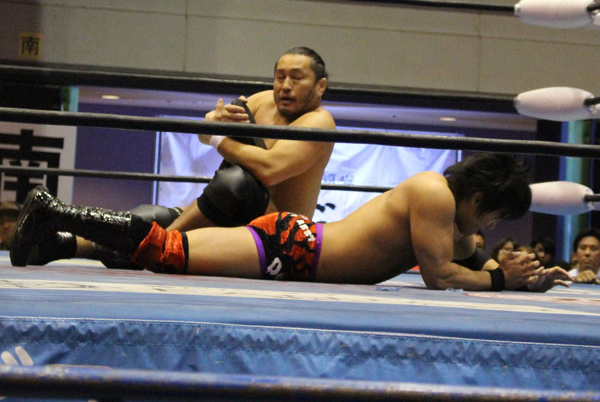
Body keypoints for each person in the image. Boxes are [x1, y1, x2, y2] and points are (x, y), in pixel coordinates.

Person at [11, 153, 572, 292]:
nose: (491, 226)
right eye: (496, 214)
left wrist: (526, 275)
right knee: (169, 251)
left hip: (298, 250)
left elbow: (475, 259)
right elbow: (440, 275)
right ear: (482, 196)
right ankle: (54, 210)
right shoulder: (434, 193)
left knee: (170, 250)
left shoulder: (454, 221)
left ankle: (49, 244)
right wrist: (501, 279)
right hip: (294, 248)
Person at [21, 46, 336, 267]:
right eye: (280, 76)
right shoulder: (263, 100)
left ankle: (158, 241)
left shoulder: (319, 123)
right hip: (232, 213)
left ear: (320, 86)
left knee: (237, 184)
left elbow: (270, 170)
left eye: (297, 78)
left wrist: (217, 137)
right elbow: (205, 131)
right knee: (151, 215)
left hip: (275, 239)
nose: (285, 86)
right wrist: (214, 121)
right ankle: (58, 243)